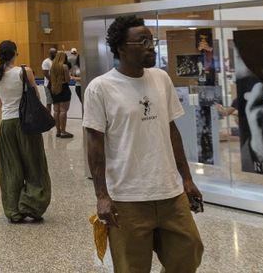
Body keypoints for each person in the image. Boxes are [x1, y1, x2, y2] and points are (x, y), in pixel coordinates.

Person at [83, 15, 204, 273]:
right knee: (131, 267)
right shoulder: (100, 88)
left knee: (189, 252)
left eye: (152, 40)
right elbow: (94, 145)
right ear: (121, 48)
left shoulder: (161, 79)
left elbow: (172, 131)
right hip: (127, 198)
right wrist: (102, 195)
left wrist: (187, 179)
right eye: (143, 41)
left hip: (170, 193)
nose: (151, 45)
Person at [0, 40, 51, 222]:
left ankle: (13, 210)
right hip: (26, 123)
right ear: (16, 53)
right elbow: (36, 96)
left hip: (6, 124)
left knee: (11, 167)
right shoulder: (25, 71)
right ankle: (32, 205)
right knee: (34, 164)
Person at [49, 51, 74, 138]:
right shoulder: (64, 66)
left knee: (56, 111)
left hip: (54, 88)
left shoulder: (53, 67)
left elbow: (51, 78)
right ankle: (63, 131)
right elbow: (68, 80)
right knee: (63, 111)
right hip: (63, 88)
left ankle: (58, 131)